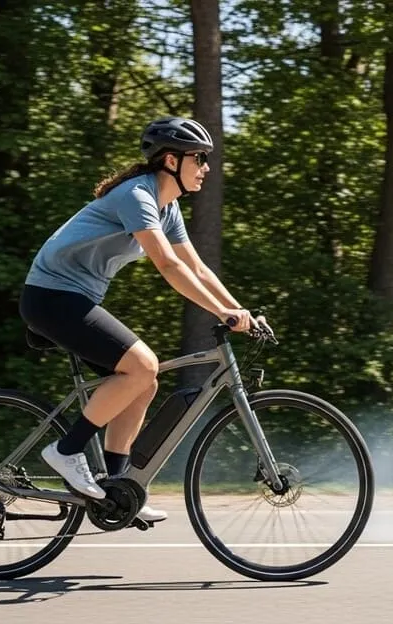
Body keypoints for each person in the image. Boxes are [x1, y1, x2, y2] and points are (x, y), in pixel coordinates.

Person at [19, 116, 262, 522]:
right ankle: (66, 450)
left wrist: (242, 312)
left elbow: (198, 269)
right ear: (170, 160)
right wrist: (221, 313)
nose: (205, 167)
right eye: (199, 158)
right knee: (142, 364)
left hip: (75, 298)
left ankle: (117, 489)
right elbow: (167, 264)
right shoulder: (137, 195)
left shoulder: (168, 209)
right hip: (51, 297)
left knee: (143, 381)